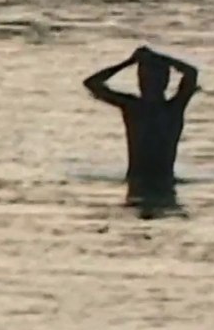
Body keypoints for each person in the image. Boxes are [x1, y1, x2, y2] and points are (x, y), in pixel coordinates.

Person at [82, 46, 200, 216]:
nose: (146, 83)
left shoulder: (173, 107)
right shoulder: (133, 107)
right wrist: (129, 62)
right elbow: (91, 83)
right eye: (143, 78)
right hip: (138, 183)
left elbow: (191, 73)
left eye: (152, 78)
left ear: (164, 81)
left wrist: (155, 57)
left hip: (162, 183)